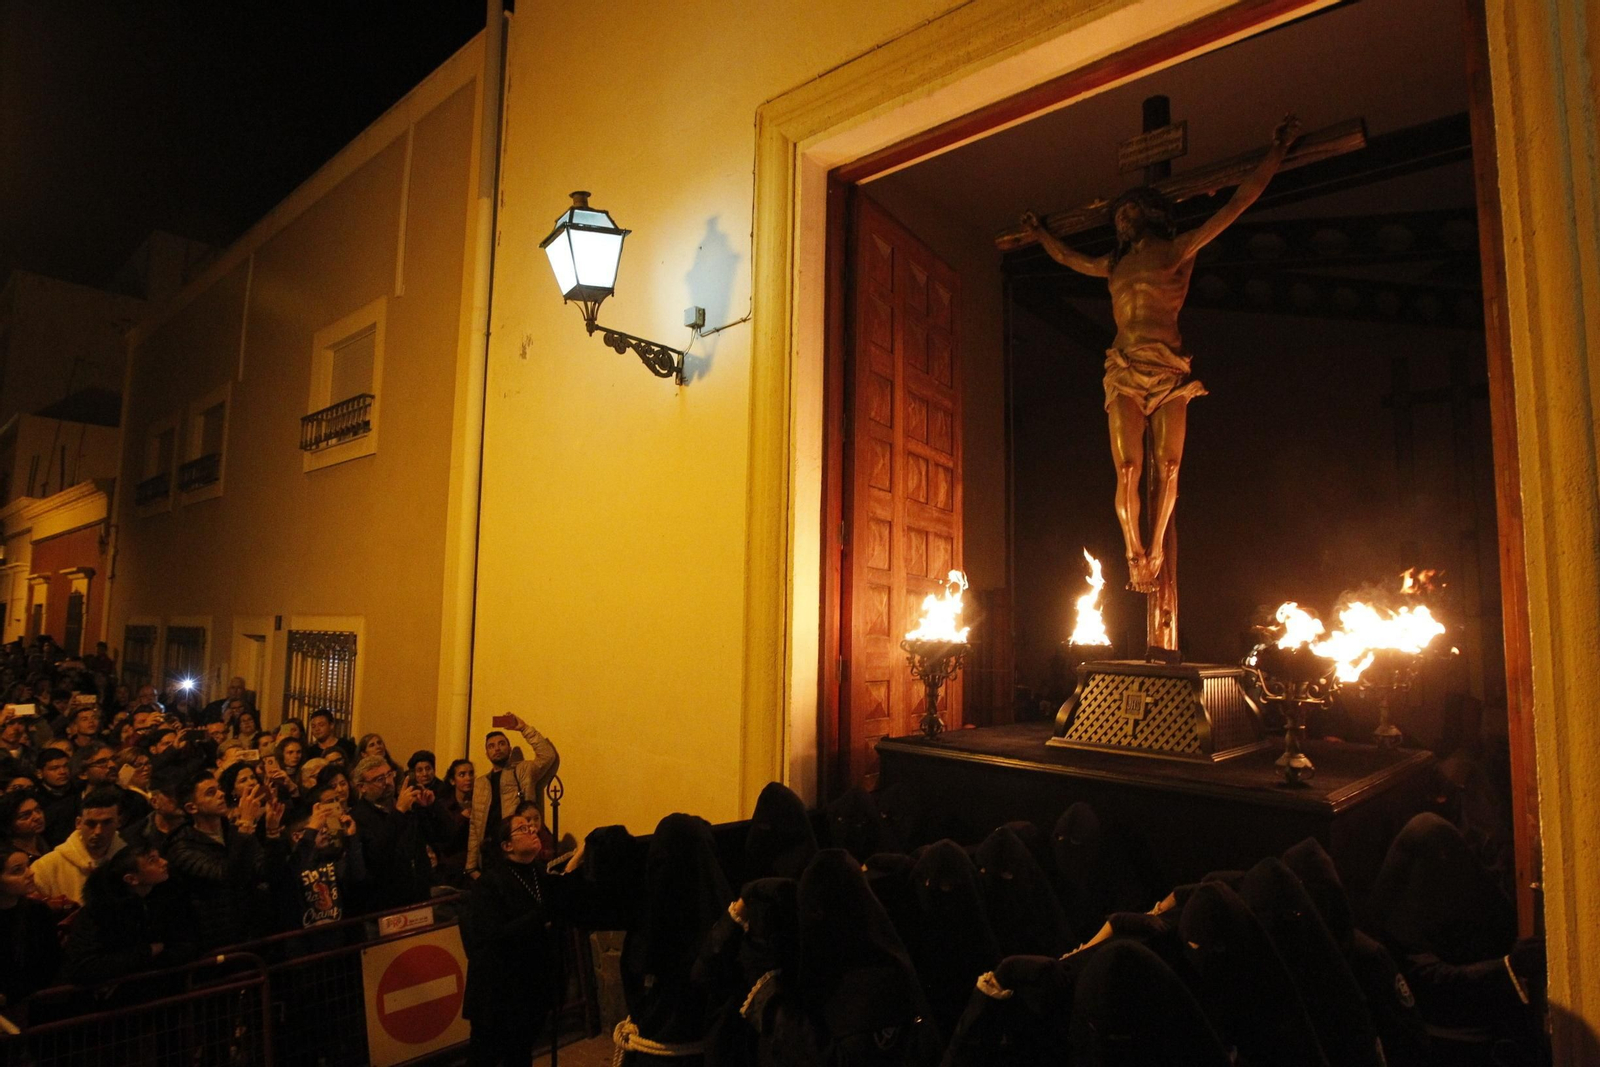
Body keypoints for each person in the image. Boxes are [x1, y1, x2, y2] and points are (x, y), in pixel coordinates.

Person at [1019, 114, 1300, 592]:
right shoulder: (1113, 265)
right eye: (1119, 217)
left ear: (1149, 213)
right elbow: (1068, 258)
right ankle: (1135, 555)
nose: (1122, 221)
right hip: (1125, 368)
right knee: (1128, 467)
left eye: (1129, 213)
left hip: (1169, 370)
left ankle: (1157, 546)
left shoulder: (1177, 250)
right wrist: (1041, 234)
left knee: (1169, 467)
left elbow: (1237, 203)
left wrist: (1276, 152)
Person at [463, 814, 560, 1066]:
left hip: (529, 986)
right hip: (497, 990)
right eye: (523, 828)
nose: (532, 830)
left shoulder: (539, 874)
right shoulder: (489, 884)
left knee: (520, 1054)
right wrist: (540, 917)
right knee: (486, 1056)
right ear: (507, 846)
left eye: (532, 826)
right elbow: (490, 937)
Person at [168, 770, 285, 948]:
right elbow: (228, 877)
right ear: (192, 808)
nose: (221, 794)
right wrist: (246, 823)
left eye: (219, 789)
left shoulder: (232, 833)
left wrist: (272, 832)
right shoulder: (182, 846)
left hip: (254, 929)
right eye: (210, 793)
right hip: (218, 938)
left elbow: (268, 872)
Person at [65, 844, 194, 983]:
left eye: (159, 857)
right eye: (152, 861)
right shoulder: (102, 912)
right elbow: (83, 967)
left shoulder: (169, 896)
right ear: (132, 879)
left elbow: (187, 941)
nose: (164, 862)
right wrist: (148, 952)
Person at [466, 715, 559, 879]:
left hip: (516, 850)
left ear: (509, 749)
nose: (497, 748)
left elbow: (548, 755)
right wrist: (471, 867)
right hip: (489, 853)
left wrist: (523, 728)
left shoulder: (523, 770)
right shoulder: (481, 783)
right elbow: (475, 825)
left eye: (502, 744)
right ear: (486, 753)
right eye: (491, 746)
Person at [349, 754, 433, 912]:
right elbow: (377, 854)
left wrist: (431, 807)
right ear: (362, 787)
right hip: (385, 903)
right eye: (379, 779)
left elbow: (444, 837)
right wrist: (399, 812)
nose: (388, 782)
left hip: (419, 896)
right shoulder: (357, 817)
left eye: (389, 774)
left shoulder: (407, 805)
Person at [32, 786, 126, 905]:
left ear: (119, 822)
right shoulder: (46, 868)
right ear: (78, 823)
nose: (98, 831)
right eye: (91, 823)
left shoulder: (130, 860)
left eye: (107, 823)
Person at [0, 847, 62, 1013]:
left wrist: (10, 994)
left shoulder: (37, 912)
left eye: (28, 865)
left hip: (27, 1005)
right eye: (17, 871)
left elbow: (48, 964)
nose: (30, 873)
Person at [34, 748, 78, 845]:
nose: (62, 772)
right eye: (54, 768)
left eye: (66, 766)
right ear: (40, 773)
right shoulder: (35, 800)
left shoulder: (79, 791)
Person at [1, 790, 50, 864]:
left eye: (38, 809)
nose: (37, 817)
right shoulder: (8, 857)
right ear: (9, 823)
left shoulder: (43, 841)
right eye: (25, 816)